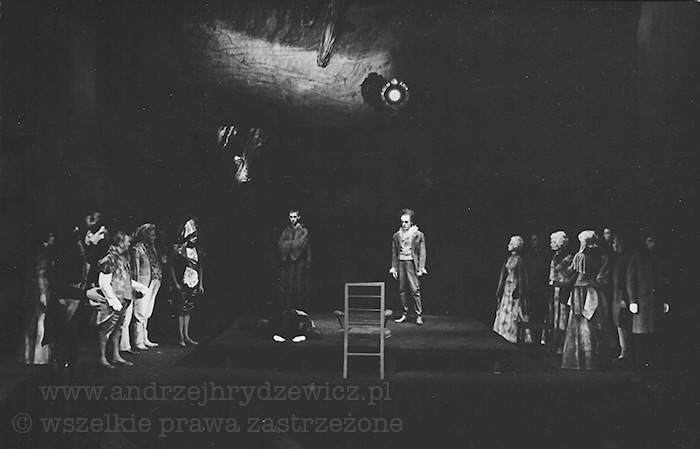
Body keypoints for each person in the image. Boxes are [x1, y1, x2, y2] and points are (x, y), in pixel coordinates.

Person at [87, 231, 148, 369]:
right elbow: (104, 282)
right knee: (105, 330)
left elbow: (125, 278)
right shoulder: (110, 259)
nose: (129, 243)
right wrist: (113, 301)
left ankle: (115, 355)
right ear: (120, 243)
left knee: (117, 329)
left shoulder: (122, 258)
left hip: (124, 298)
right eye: (126, 241)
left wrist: (139, 287)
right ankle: (102, 357)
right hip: (114, 300)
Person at [561, 230, 609, 370]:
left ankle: (578, 361)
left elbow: (571, 274)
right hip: (594, 291)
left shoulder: (580, 256)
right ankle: (594, 361)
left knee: (579, 323)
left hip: (580, 291)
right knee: (594, 324)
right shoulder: (601, 257)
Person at [626, 231, 670, 370]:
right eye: (650, 241)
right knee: (640, 336)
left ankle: (652, 367)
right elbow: (631, 281)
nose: (653, 244)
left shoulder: (657, 258)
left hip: (655, 303)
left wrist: (664, 300)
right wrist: (633, 300)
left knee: (654, 335)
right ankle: (640, 367)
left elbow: (662, 281)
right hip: (642, 303)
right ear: (644, 242)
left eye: (654, 241)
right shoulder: (636, 258)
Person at [21, 231, 56, 364]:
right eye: (51, 236)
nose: (53, 238)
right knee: (39, 321)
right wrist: (42, 294)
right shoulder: (44, 254)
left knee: (38, 322)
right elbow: (40, 274)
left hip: (42, 289)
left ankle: (34, 356)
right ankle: (37, 357)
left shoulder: (47, 252)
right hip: (40, 290)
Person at [169, 218, 204, 346]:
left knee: (188, 308)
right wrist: (175, 283)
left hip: (194, 281)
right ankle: (181, 336)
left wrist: (201, 284)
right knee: (180, 309)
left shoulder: (197, 250)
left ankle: (186, 335)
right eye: (192, 236)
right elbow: (171, 266)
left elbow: (200, 267)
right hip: (182, 281)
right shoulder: (178, 250)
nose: (195, 239)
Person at [389, 209, 427, 325]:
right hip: (401, 262)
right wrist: (394, 267)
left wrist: (421, 267)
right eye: (402, 222)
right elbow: (394, 252)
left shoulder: (418, 235)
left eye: (406, 222)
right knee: (402, 289)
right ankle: (405, 313)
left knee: (414, 289)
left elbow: (422, 252)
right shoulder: (396, 235)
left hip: (411, 263)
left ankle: (418, 315)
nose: (404, 224)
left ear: (411, 222)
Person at [130, 223, 163, 350]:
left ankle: (145, 338)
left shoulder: (153, 247)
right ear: (145, 235)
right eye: (152, 235)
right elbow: (136, 268)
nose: (154, 237)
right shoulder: (138, 248)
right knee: (140, 311)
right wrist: (137, 285)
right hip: (143, 282)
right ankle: (138, 341)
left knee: (148, 311)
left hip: (154, 280)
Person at [493, 236, 529, 343]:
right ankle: (503, 333)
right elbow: (503, 274)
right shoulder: (509, 259)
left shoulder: (520, 260)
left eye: (511, 243)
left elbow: (522, 277)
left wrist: (519, 290)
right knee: (505, 308)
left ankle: (513, 335)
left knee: (514, 309)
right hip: (507, 287)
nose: (509, 245)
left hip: (514, 287)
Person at [546, 231, 576, 354]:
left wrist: (561, 281)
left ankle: (562, 345)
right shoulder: (555, 257)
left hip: (564, 290)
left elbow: (570, 274)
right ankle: (553, 344)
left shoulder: (569, 258)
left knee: (563, 316)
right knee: (554, 316)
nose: (551, 244)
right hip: (555, 291)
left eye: (553, 242)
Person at [277, 209, 311, 308]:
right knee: (289, 283)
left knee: (299, 283)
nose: (292, 219)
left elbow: (300, 245)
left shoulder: (303, 230)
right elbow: (280, 243)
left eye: (294, 217)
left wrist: (288, 244)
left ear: (298, 217)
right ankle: (289, 306)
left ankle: (300, 306)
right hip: (289, 261)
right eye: (291, 217)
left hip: (300, 260)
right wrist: (291, 244)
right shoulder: (286, 230)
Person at [611, 234, 633, 364]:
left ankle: (625, 353)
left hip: (623, 298)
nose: (613, 245)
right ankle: (624, 352)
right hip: (618, 297)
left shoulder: (625, 259)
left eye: (615, 242)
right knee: (620, 325)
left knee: (623, 325)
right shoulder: (619, 258)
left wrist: (624, 298)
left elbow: (625, 280)